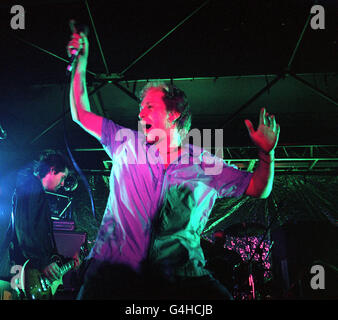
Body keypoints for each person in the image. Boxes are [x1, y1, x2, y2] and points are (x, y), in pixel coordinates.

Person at [68, 32, 280, 300]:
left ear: (173, 113)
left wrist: (265, 154)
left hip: (181, 277)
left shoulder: (206, 163)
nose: (140, 112)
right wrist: (81, 62)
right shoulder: (125, 143)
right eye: (140, 107)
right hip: (113, 273)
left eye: (148, 106)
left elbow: (259, 188)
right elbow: (80, 112)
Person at [0, 150, 70, 299]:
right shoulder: (31, 185)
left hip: (20, 267)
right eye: (62, 177)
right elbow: (24, 227)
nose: (63, 183)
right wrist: (44, 262)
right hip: (18, 267)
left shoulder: (31, 186)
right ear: (52, 170)